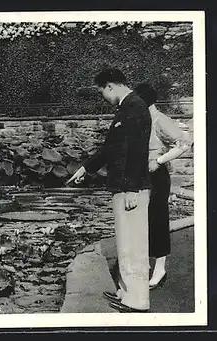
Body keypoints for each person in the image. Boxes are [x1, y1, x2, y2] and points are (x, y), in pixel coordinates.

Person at [67, 68, 152, 313]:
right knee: (125, 242)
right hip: (124, 186)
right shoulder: (127, 108)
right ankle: (127, 294)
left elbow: (136, 151)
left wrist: (132, 189)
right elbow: (111, 149)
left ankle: (138, 301)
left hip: (130, 188)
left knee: (134, 243)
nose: (102, 96)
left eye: (102, 91)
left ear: (111, 86)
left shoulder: (135, 108)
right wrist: (86, 169)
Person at [134, 83, 193, 288]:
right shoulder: (140, 120)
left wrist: (159, 160)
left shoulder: (160, 120)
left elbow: (185, 142)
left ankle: (160, 270)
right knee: (142, 221)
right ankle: (143, 267)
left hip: (157, 176)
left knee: (158, 220)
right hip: (140, 176)